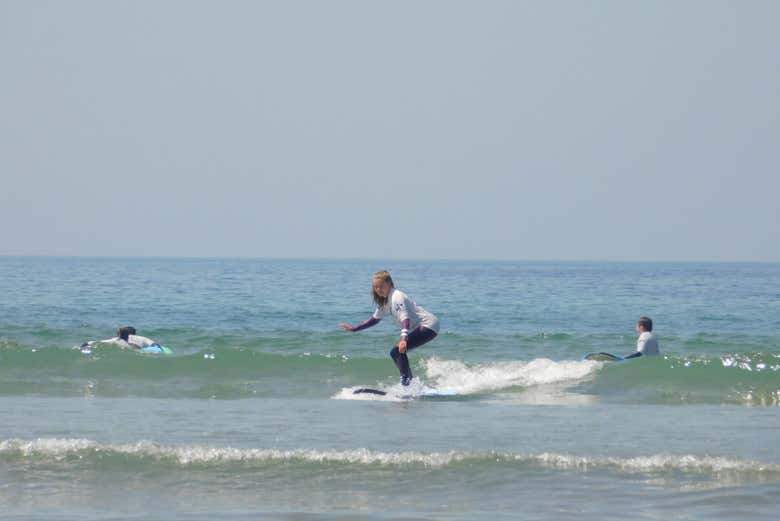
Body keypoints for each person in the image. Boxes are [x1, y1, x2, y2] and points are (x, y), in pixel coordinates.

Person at [340, 270, 440, 386]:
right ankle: (409, 383)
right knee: (396, 352)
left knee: (397, 351)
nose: (378, 290)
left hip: (428, 325)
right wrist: (354, 329)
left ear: (389, 284)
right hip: (425, 326)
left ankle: (407, 383)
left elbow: (405, 318)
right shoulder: (386, 301)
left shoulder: (396, 296)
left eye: (381, 286)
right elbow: (374, 319)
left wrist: (403, 339)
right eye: (376, 287)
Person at [84, 326, 161, 350]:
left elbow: (97, 342)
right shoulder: (143, 338)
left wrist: (86, 343)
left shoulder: (116, 339)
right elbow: (155, 344)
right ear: (135, 333)